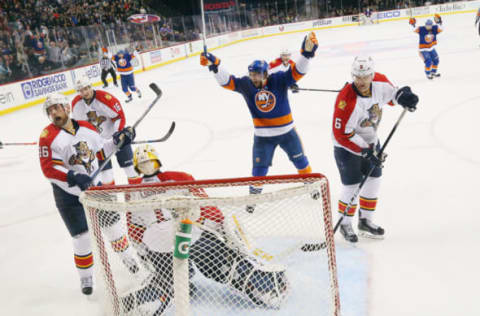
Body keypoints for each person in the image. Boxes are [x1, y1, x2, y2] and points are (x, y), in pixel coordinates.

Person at [120, 144, 289, 313]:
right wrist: (221, 226)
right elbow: (203, 204)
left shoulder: (132, 191)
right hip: (184, 232)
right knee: (222, 263)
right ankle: (264, 286)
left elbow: (134, 228)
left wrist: (144, 255)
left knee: (169, 280)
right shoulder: (177, 177)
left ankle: (152, 296)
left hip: (155, 242)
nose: (148, 166)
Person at [200, 32, 318, 212]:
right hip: (263, 138)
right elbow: (227, 82)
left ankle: (311, 187)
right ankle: (253, 198)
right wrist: (215, 65)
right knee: (259, 170)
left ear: (266, 74)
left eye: (258, 75)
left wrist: (306, 55)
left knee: (301, 161)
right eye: (252, 75)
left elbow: (298, 71)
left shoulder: (278, 79)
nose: (254, 78)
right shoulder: (246, 85)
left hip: (287, 134)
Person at [38, 93, 139, 295]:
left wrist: (119, 139)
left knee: (113, 227)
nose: (53, 113)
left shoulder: (87, 127)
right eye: (50, 111)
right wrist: (73, 176)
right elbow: (49, 169)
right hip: (68, 195)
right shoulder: (47, 137)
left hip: (95, 186)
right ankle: (86, 278)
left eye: (56, 108)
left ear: (67, 108)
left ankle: (129, 259)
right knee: (81, 238)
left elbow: (101, 151)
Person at [332, 56, 418, 243]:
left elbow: (393, 96)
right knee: (352, 185)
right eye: (357, 77)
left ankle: (365, 221)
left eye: (365, 76)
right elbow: (341, 135)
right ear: (352, 75)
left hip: (371, 142)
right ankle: (346, 223)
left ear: (371, 74)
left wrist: (404, 97)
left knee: (374, 179)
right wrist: (365, 151)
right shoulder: (346, 101)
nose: (361, 81)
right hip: (347, 147)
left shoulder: (379, 81)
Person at [71, 77, 141, 185]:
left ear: (91, 86)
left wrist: (118, 133)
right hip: (98, 144)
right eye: (81, 90)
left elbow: (119, 116)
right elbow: (79, 126)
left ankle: (137, 197)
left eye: (87, 88)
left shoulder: (105, 98)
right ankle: (111, 201)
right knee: (106, 176)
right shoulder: (76, 104)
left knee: (130, 169)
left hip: (117, 137)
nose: (85, 92)